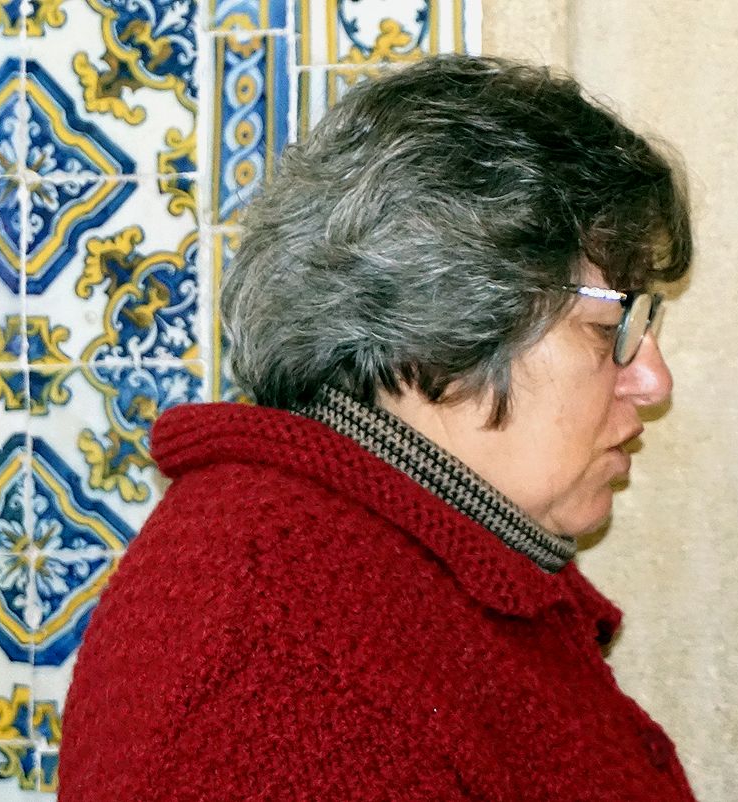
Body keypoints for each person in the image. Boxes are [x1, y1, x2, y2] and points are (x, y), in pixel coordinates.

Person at [59, 54, 696, 801]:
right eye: (610, 328)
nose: (653, 381)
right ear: (443, 327)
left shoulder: (394, 559)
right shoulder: (283, 667)